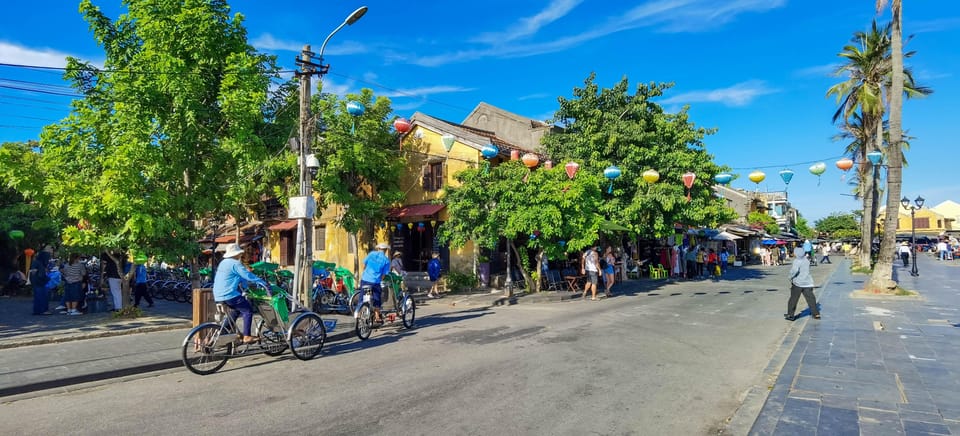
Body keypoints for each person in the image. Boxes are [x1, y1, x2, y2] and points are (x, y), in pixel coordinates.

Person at [212, 243, 268, 344]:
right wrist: (262, 282)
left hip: (218, 294)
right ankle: (247, 336)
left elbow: (241, 278)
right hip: (228, 294)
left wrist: (246, 287)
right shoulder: (235, 263)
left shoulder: (223, 263)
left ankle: (223, 333)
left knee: (235, 311)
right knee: (248, 309)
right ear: (236, 254)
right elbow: (247, 275)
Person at [785, 247, 820, 321]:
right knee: (811, 299)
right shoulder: (806, 260)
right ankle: (816, 313)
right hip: (807, 282)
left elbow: (794, 271)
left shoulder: (797, 261)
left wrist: (790, 277)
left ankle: (790, 315)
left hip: (798, 283)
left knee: (793, 299)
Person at [360, 242, 392, 322]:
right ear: (385, 250)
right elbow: (383, 275)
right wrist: (379, 280)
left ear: (378, 249)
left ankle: (360, 311)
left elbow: (364, 265)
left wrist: (364, 273)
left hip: (365, 279)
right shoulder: (386, 260)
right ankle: (377, 316)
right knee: (377, 297)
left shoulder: (371, 254)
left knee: (362, 295)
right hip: (375, 282)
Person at [30, 248, 53, 315]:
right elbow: (41, 275)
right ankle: (44, 310)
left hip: (35, 282)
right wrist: (47, 278)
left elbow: (33, 273)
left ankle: (37, 310)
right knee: (43, 297)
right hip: (41, 282)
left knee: (37, 297)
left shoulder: (35, 262)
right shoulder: (41, 264)